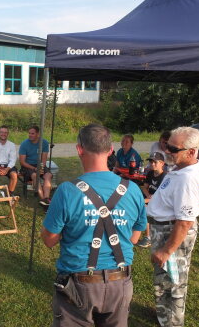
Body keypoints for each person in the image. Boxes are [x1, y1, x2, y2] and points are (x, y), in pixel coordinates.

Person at [41, 124, 147, 327]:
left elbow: (49, 240)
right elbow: (135, 237)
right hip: (120, 282)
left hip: (79, 284)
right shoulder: (132, 189)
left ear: (79, 149)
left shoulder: (67, 191)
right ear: (110, 150)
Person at [147, 127, 199, 327]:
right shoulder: (180, 168)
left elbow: (185, 222)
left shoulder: (188, 178)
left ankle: (172, 323)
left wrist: (166, 250)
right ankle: (163, 315)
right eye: (167, 146)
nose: (167, 151)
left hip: (171, 232)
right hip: (164, 229)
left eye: (173, 148)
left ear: (191, 151)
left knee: (174, 282)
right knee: (164, 280)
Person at [137, 152, 167, 248]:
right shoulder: (150, 173)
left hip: (161, 201)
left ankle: (148, 237)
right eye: (151, 162)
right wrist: (148, 196)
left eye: (155, 162)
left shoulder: (165, 177)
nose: (152, 164)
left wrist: (144, 201)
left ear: (162, 163)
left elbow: (159, 196)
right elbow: (144, 187)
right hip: (150, 198)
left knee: (144, 209)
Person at [19, 125, 53, 207]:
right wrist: (35, 168)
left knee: (48, 175)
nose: (30, 135)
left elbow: (44, 160)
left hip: (39, 164)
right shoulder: (24, 144)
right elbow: (22, 162)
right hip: (28, 166)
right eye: (29, 133)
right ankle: (43, 200)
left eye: (32, 133)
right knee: (35, 176)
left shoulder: (44, 143)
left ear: (38, 134)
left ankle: (46, 199)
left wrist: (41, 168)